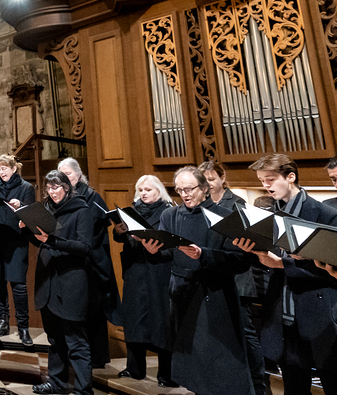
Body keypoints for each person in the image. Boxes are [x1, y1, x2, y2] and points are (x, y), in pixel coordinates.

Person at [141, 166, 254, 395]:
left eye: (189, 189)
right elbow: (167, 253)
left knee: (221, 362)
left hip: (215, 295)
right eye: (179, 190)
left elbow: (240, 261)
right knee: (192, 364)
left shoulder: (224, 216)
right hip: (183, 294)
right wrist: (153, 251)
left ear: (204, 188)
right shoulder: (170, 215)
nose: (185, 194)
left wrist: (204, 255)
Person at [235, 154, 337, 395]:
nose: (266, 186)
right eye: (262, 181)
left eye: (270, 179)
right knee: (294, 387)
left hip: (317, 313)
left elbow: (331, 269)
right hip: (283, 314)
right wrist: (251, 249)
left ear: (290, 177)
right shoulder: (267, 216)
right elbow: (267, 262)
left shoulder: (326, 213)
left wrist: (284, 264)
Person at [198, 161, 265, 395]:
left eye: (212, 179)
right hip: (216, 279)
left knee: (246, 334)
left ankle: (259, 385)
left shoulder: (236, 203)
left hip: (239, 280)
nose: (208, 184)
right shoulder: (203, 205)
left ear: (222, 177)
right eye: (204, 180)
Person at [24, 170, 93, 395]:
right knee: (54, 340)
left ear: (66, 187)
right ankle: (57, 383)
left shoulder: (81, 210)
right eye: (49, 188)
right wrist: (27, 231)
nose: (52, 192)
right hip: (48, 283)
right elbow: (42, 243)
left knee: (76, 342)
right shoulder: (45, 210)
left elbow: (85, 247)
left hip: (70, 283)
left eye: (56, 187)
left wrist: (52, 240)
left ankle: (84, 390)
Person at [112, 175, 175, 387]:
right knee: (134, 318)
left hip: (158, 269)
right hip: (135, 269)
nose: (143, 193)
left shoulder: (168, 211)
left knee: (162, 320)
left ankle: (166, 374)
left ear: (159, 190)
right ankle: (135, 369)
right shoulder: (133, 210)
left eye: (148, 189)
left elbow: (170, 240)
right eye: (140, 190)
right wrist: (118, 230)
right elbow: (120, 237)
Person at [57, 157, 119, 368]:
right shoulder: (63, 197)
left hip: (92, 261)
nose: (65, 179)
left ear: (79, 174)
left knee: (93, 310)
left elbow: (94, 231)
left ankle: (96, 359)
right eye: (62, 175)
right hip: (71, 261)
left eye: (68, 174)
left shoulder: (92, 197)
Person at [0, 154, 35, 346]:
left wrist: (21, 205)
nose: (1, 172)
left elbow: (31, 214)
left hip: (15, 242)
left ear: (13, 168)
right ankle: (3, 322)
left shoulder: (26, 188)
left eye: (4, 168)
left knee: (19, 286)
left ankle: (23, 328)